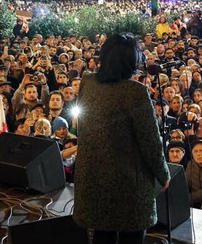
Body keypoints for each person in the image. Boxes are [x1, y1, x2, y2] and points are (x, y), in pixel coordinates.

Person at [71, 33, 171, 244]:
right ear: (131, 61)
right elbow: (150, 142)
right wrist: (163, 175)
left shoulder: (87, 81)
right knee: (131, 236)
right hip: (128, 185)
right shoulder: (136, 92)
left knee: (101, 233)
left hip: (93, 177)